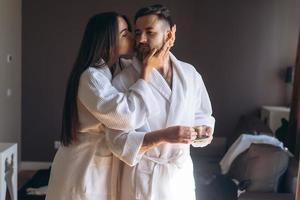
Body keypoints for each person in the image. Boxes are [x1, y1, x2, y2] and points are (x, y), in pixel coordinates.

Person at [46, 11, 197, 200]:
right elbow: (125, 116)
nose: (135, 37)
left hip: (106, 165)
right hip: (85, 167)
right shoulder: (91, 78)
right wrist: (146, 71)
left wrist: (166, 41)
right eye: (125, 33)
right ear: (107, 41)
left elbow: (150, 57)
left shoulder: (117, 67)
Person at [110, 4, 215, 200]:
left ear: (168, 35)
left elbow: (203, 115)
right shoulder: (123, 81)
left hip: (179, 175)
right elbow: (118, 142)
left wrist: (203, 133)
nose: (140, 39)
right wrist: (164, 136)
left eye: (149, 32)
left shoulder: (190, 74)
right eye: (138, 32)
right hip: (143, 179)